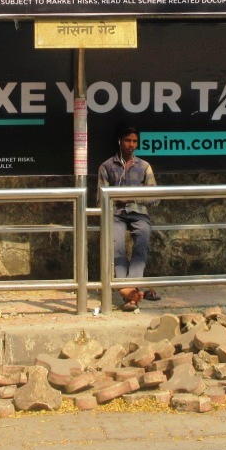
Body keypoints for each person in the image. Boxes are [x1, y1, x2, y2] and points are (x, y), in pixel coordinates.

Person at [98, 124, 161, 311]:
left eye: (134, 141)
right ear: (120, 141)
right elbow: (100, 199)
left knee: (142, 239)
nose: (131, 145)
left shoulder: (144, 167)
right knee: (116, 245)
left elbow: (154, 197)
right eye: (128, 140)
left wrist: (130, 197)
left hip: (139, 213)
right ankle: (131, 293)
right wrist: (117, 199)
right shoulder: (107, 166)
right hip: (115, 214)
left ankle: (128, 288)